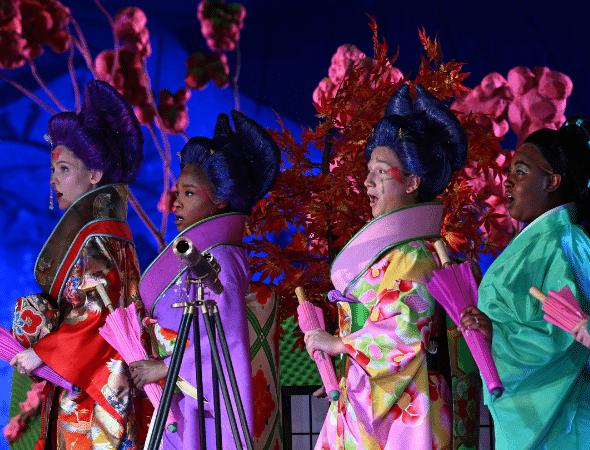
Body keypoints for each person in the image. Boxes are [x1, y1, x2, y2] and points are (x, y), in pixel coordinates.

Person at [305, 84, 467, 450]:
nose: (366, 183)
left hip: (407, 403)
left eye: (380, 172)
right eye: (368, 171)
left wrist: (339, 344)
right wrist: (347, 361)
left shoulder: (415, 255)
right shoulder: (400, 252)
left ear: (412, 182)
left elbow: (404, 331)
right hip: (371, 386)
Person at [129, 110, 281, 450]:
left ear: (220, 200)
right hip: (178, 392)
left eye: (189, 193)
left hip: (199, 396)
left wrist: (165, 369)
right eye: (177, 192)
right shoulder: (206, 253)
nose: (176, 202)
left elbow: (225, 339)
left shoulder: (223, 258)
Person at [9, 80, 147, 449]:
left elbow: (96, 312)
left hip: (96, 380)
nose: (54, 178)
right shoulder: (105, 232)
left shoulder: (101, 237)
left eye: (65, 169)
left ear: (95, 176)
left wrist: (40, 351)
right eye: (54, 170)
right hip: (87, 373)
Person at [459, 117, 590, 449]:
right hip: (536, 408)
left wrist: (497, 334)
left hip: (562, 414)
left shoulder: (563, 242)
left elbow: (567, 333)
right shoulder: (543, 241)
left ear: (552, 182)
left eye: (520, 172)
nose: (507, 182)